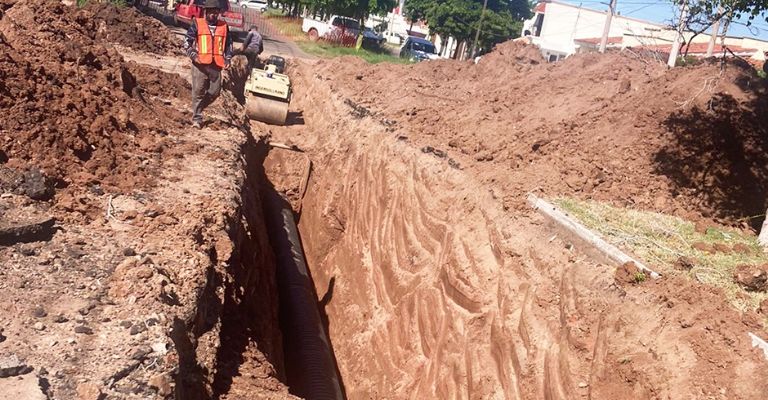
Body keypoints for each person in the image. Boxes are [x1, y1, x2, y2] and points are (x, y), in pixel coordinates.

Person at [183, 0, 234, 128]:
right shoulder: (197, 23)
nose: (213, 14)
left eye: (215, 12)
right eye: (210, 12)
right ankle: (197, 118)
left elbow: (229, 45)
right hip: (200, 65)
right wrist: (194, 55)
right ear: (206, 12)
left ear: (218, 13)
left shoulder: (224, 26)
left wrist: (228, 58)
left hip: (216, 65)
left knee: (215, 92)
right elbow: (187, 42)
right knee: (198, 91)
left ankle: (198, 107)